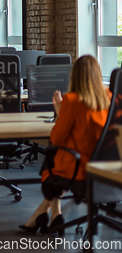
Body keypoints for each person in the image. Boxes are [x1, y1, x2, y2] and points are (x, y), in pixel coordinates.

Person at [19, 55, 111, 235]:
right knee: (56, 158)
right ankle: (51, 215)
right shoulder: (112, 99)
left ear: (74, 75)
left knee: (51, 159)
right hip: (108, 167)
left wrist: (60, 113)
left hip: (81, 168)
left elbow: (57, 139)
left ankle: (47, 215)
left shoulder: (72, 100)